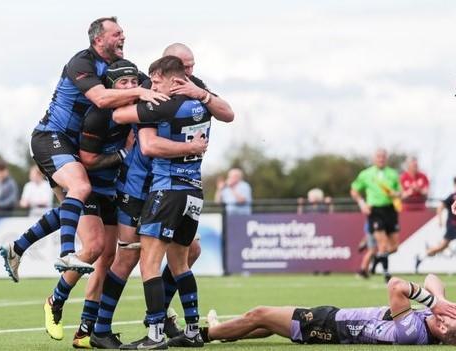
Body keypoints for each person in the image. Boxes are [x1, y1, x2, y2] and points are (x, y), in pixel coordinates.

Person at [28, 16, 169, 273]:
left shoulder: (119, 68)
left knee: (81, 212)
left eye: (123, 32)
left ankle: (18, 247)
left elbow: (152, 83)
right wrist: (138, 94)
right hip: (51, 136)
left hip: (74, 146)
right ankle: (67, 253)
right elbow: (102, 98)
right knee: (81, 188)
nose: (123, 37)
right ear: (98, 39)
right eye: (116, 34)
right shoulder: (82, 62)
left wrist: (184, 86)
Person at [111, 55, 233, 349]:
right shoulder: (203, 104)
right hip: (193, 191)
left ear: (173, 79)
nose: (151, 86)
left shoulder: (164, 104)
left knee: (149, 264)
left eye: (155, 81)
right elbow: (228, 113)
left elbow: (121, 119)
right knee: (180, 264)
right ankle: (192, 330)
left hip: (167, 190)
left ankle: (154, 335)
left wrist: (137, 99)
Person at [200, 274, 456, 345]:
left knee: (259, 314)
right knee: (269, 325)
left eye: (450, 316)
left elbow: (397, 286)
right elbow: (433, 278)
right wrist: (440, 301)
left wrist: (434, 304)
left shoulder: (412, 332)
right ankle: (226, 333)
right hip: (335, 318)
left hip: (327, 328)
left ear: (443, 327)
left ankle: (206, 334)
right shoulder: (432, 322)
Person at [350, 148, 401, 283]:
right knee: (383, 244)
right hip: (375, 211)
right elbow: (354, 191)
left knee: (394, 247)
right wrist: (362, 203)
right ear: (374, 159)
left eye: (383, 157)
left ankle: (378, 258)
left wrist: (395, 194)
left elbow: (400, 192)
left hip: (390, 210)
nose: (381, 159)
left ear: (386, 158)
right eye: (378, 156)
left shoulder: (393, 174)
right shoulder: (366, 174)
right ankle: (386, 274)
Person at [415, 177, 456, 273]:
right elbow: (440, 206)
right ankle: (421, 256)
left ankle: (421, 257)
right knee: (442, 246)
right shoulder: (452, 196)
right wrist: (440, 219)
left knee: (443, 246)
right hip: (453, 225)